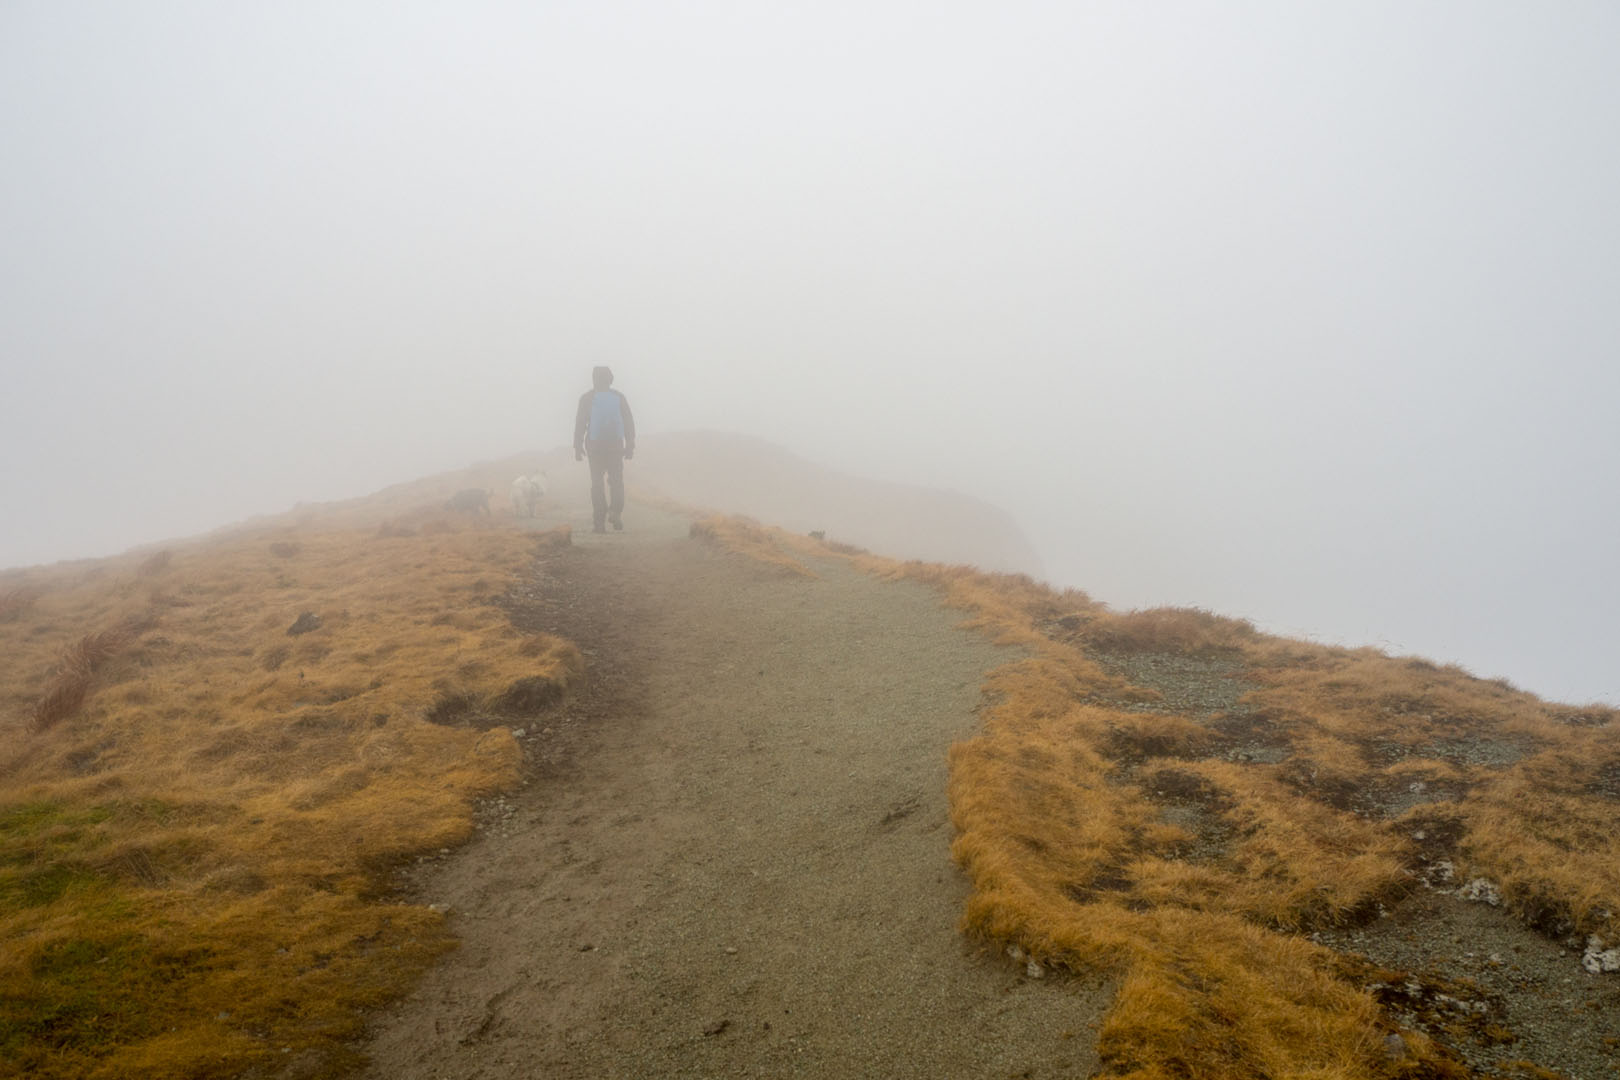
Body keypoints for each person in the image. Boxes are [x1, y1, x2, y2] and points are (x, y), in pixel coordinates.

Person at [573, 366, 636, 533]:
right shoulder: (619, 397)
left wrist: (577, 446)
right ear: (610, 379)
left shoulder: (587, 398)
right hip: (615, 447)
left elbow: (580, 423)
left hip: (594, 448)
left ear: (594, 379)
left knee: (597, 484)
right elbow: (628, 421)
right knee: (616, 482)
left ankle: (599, 523)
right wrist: (630, 444)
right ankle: (615, 511)